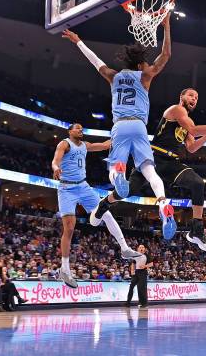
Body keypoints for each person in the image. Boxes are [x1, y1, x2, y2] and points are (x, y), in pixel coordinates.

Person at [63, 15, 177, 239]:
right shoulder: (146, 75)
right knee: (149, 170)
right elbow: (166, 55)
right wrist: (166, 26)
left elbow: (95, 61)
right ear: (139, 64)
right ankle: (163, 204)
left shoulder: (113, 76)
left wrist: (78, 41)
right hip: (140, 127)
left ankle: (117, 173)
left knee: (116, 165)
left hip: (120, 126)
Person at [94, 88, 206, 252]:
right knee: (127, 192)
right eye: (191, 95)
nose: (194, 99)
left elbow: (191, 147)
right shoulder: (176, 110)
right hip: (153, 158)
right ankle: (104, 203)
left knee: (198, 183)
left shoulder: (187, 120)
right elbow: (194, 130)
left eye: (197, 97)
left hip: (171, 162)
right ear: (181, 96)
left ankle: (196, 230)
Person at [51, 123, 141, 289]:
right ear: (70, 131)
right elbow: (55, 160)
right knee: (70, 228)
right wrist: (56, 167)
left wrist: (121, 135)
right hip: (66, 188)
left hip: (83, 186)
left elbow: (105, 145)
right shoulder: (64, 143)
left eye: (82, 128)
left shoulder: (85, 146)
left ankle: (125, 248)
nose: (80, 130)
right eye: (77, 128)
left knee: (106, 213)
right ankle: (64, 268)